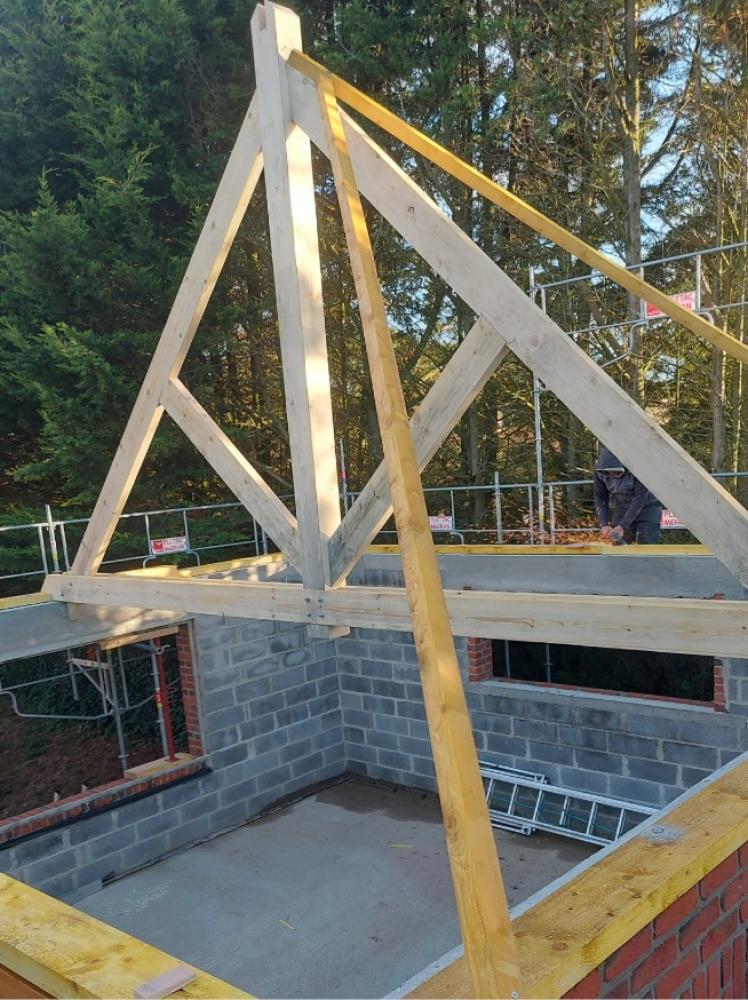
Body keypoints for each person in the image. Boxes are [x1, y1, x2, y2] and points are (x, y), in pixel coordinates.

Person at [593, 447, 662, 544]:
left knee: (647, 543)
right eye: (610, 472)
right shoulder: (599, 473)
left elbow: (640, 498)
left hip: (647, 508)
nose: (614, 475)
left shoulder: (640, 469)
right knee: (619, 542)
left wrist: (622, 525)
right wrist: (604, 523)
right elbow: (600, 497)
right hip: (621, 509)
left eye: (618, 472)